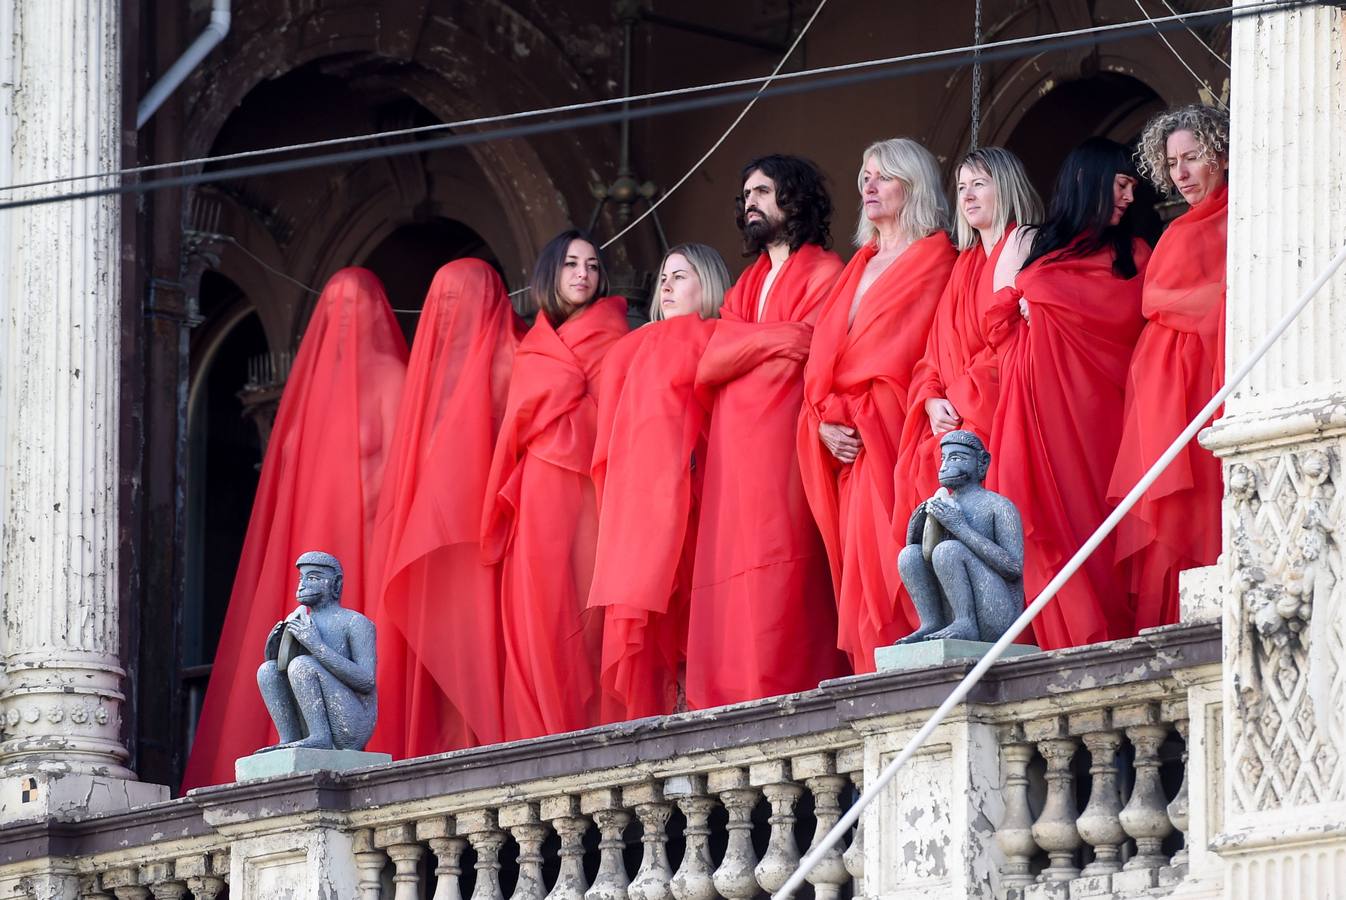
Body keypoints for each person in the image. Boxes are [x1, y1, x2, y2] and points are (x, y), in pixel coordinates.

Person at [182, 268, 407, 789]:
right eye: (335, 312)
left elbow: (398, 472)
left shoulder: (393, 381)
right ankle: (296, 736)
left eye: (358, 310)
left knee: (326, 657)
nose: (347, 324)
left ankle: (331, 740)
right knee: (276, 666)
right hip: (316, 533)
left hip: (368, 538)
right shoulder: (305, 398)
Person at [687, 154, 849, 708]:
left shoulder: (827, 272)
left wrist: (748, 353)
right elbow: (711, 363)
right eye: (746, 193)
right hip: (735, 465)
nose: (750, 201)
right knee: (731, 588)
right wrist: (778, 341)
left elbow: (815, 349)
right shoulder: (746, 283)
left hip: (786, 453)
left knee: (785, 579)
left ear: (794, 200)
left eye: (762, 191)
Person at [796, 138, 958, 673]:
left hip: (895, 430)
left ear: (912, 187)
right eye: (865, 175)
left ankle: (909, 672)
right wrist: (821, 423)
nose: (868, 185)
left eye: (883, 176)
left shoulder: (937, 259)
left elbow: (931, 349)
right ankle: (872, 674)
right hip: (845, 438)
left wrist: (865, 410)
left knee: (901, 554)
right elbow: (823, 359)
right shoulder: (856, 265)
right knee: (857, 565)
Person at [987, 138, 1152, 651]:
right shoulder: (1034, 243)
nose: (1128, 198)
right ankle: (1065, 642)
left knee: (1103, 523)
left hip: (1107, 412)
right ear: (1090, 181)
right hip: (1039, 413)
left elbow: (1136, 320)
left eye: (1132, 188)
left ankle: (1115, 639)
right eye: (1121, 185)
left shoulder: (1137, 254)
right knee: (1048, 526)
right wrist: (1023, 306)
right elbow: (994, 326)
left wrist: (1037, 304)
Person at [366, 259, 524, 757]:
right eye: (444, 302)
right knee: (435, 657)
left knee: (482, 653)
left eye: (464, 300)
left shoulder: (515, 356)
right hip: (436, 540)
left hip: (489, 535)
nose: (452, 313)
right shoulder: (424, 378)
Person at [481, 230, 629, 739]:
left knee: (589, 607)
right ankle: (539, 735)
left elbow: (623, 412)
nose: (583, 274)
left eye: (591, 265)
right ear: (550, 273)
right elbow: (515, 424)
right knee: (536, 610)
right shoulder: (531, 346)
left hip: (592, 484)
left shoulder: (618, 335)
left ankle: (589, 731)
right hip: (539, 484)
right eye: (570, 264)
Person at [589, 244, 732, 721]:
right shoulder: (636, 347)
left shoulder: (717, 337)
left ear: (708, 285)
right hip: (645, 505)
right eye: (664, 277)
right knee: (660, 621)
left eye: (682, 276)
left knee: (699, 617)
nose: (667, 285)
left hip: (703, 499)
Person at [1108, 105, 1230, 633]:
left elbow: (1225, 298)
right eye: (1172, 161)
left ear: (1220, 155)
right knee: (1176, 507)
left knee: (1208, 497)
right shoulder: (1178, 229)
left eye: (1193, 158)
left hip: (1210, 378)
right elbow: (1152, 298)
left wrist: (1184, 304)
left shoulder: (1249, 217)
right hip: (1166, 394)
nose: (1180, 173)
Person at [895, 147, 1042, 527]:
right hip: (957, 415)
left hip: (1002, 407)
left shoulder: (1025, 244)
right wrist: (929, 400)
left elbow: (1014, 342)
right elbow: (934, 351)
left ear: (1006, 188)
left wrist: (960, 398)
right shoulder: (963, 265)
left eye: (979, 184)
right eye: (962, 188)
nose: (968, 196)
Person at [895, 432, 1024, 645]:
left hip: (994, 610)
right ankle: (932, 622)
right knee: (909, 555)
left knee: (948, 550)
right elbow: (924, 556)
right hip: (950, 608)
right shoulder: (943, 504)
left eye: (956, 458)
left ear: (982, 463)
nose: (944, 466)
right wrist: (917, 527)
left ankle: (966, 621)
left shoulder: (998, 506)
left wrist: (959, 527)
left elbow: (1012, 567)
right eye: (943, 459)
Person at [257, 551, 377, 752]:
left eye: (312, 578)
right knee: (267, 670)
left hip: (351, 722)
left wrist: (316, 645)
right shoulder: (302, 622)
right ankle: (289, 737)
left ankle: (320, 736)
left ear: (336, 584)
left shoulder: (355, 623)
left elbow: (366, 681)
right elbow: (285, 672)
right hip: (313, 713)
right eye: (301, 578)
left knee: (302, 665)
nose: (302, 585)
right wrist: (275, 649)